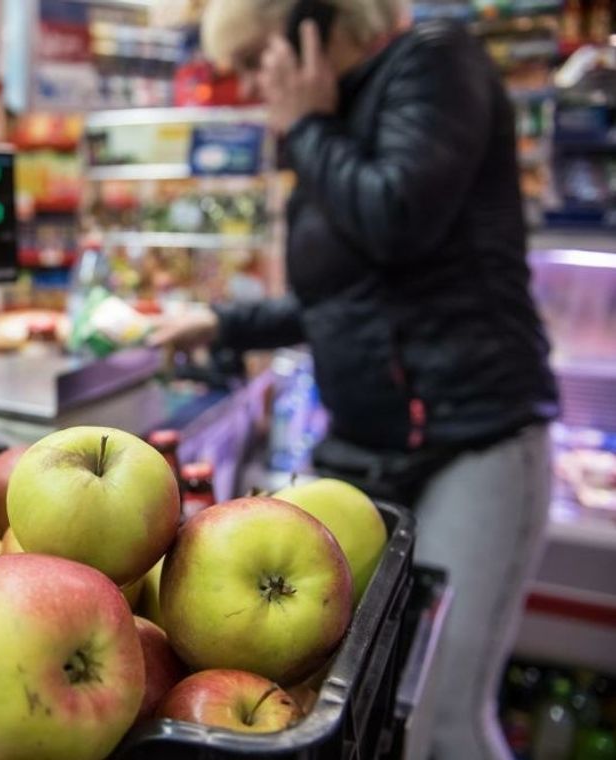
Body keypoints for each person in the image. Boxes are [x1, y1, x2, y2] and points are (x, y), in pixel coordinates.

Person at [151, 1, 560, 758]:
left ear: (311, 26)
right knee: (368, 714)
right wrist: (227, 325)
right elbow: (342, 298)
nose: (249, 85)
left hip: (475, 438)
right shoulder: (336, 117)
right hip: (370, 442)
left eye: (252, 61)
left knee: (443, 717)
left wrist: (308, 126)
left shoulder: (437, 63)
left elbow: (399, 217)